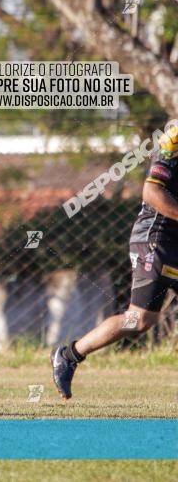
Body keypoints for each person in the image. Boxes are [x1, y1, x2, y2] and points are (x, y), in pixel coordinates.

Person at [51, 124, 178, 399]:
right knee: (137, 320)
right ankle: (69, 354)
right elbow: (152, 193)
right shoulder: (174, 138)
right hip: (156, 240)